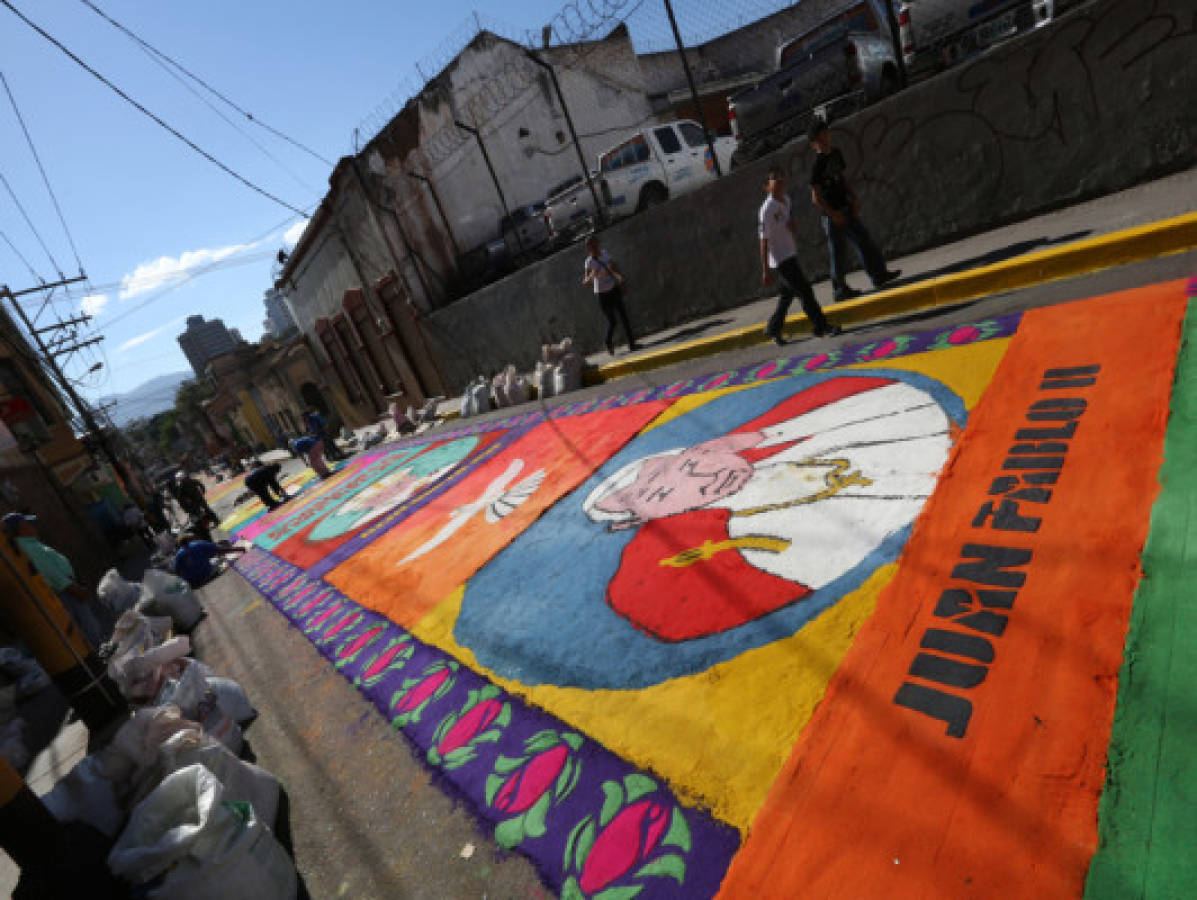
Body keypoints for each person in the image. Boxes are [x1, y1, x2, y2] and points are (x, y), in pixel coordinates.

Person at [808, 118, 901, 302]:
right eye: (821, 136)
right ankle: (839, 289)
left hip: (846, 206)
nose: (826, 138)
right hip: (832, 214)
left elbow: (842, 178)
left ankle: (878, 275)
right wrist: (833, 215)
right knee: (838, 252)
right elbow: (815, 197)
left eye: (827, 133)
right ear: (814, 143)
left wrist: (854, 198)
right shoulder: (817, 165)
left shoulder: (836, 154)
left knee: (864, 240)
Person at [3, 512, 111, 648]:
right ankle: (99, 652)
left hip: (66, 587)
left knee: (86, 626)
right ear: (21, 528)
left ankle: (98, 649)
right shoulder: (27, 547)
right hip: (65, 591)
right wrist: (73, 588)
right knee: (87, 627)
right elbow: (49, 571)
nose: (33, 526)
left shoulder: (29, 544)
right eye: (29, 523)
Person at [759, 166, 840, 344]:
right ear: (766, 187)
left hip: (790, 253)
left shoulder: (786, 200)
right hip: (781, 260)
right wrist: (765, 270)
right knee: (805, 291)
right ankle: (821, 326)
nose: (780, 180)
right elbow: (763, 240)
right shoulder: (766, 209)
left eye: (781, 176)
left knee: (787, 295)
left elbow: (787, 222)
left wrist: (792, 225)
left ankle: (773, 328)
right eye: (774, 178)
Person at [582, 236, 640, 356]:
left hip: (613, 289)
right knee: (612, 322)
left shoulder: (604, 253)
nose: (594, 247)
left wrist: (621, 279)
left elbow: (613, 267)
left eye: (595, 244)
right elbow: (585, 282)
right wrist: (592, 276)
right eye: (591, 246)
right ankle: (608, 341)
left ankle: (632, 344)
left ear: (598, 244)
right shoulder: (589, 262)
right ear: (588, 249)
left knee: (624, 317)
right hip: (602, 294)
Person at [173, 533, 246, 589]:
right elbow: (221, 550)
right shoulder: (197, 544)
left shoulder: (178, 556)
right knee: (221, 559)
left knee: (212, 558)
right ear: (190, 540)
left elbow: (177, 572)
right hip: (207, 573)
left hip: (193, 581)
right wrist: (238, 549)